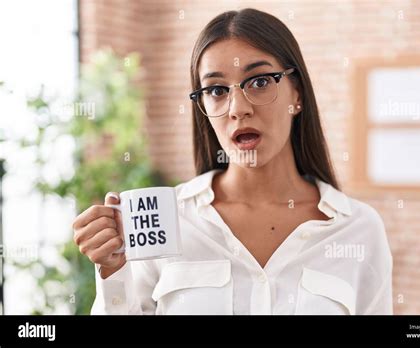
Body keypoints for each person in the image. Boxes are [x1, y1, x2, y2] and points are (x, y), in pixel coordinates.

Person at [72, 8, 392, 315]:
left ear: (297, 94)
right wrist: (112, 270)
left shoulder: (359, 230)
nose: (238, 108)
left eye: (260, 81)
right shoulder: (170, 220)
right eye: (216, 90)